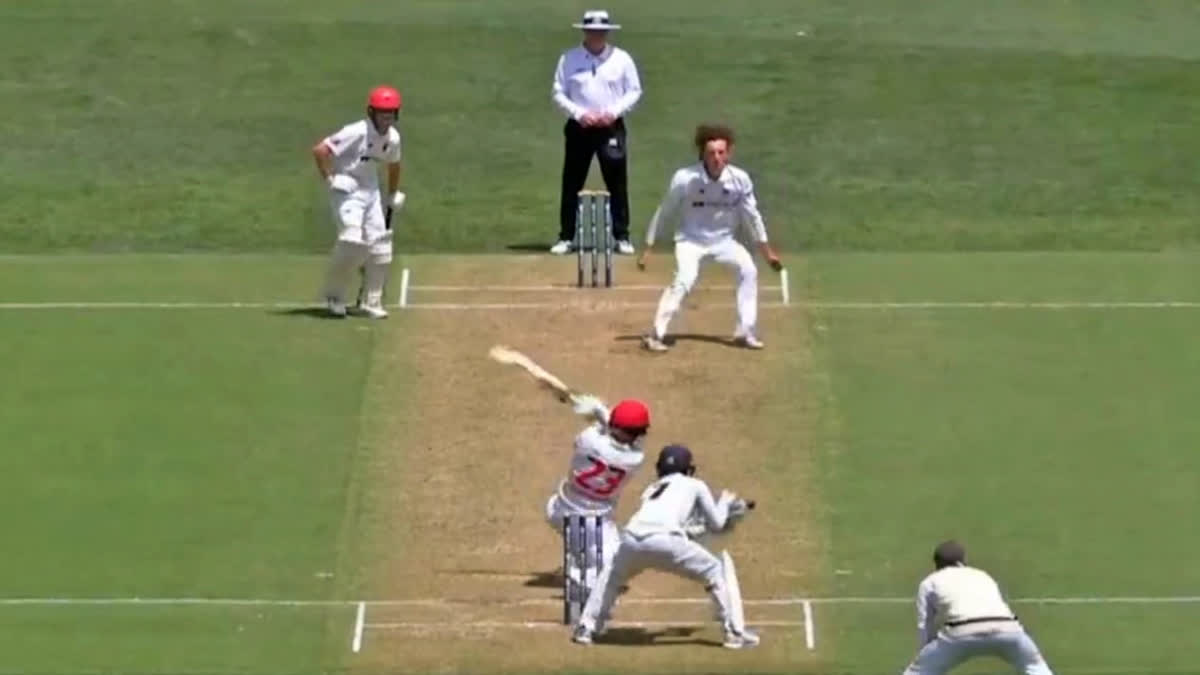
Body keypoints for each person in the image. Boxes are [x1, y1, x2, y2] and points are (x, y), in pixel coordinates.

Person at [571, 444, 759, 649]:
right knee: (716, 570)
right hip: (666, 541)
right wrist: (724, 503)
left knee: (611, 576)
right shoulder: (695, 484)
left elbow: (678, 526)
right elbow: (717, 524)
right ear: (688, 468)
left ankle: (585, 628)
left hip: (632, 539)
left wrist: (694, 528)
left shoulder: (652, 489)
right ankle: (733, 633)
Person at [637, 124, 783, 352]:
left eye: (721, 152)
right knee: (685, 279)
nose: (716, 158)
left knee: (749, 270)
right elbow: (665, 210)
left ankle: (745, 331)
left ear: (729, 153)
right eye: (711, 153)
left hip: (724, 242)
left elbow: (752, 217)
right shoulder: (685, 178)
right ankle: (656, 333)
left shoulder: (740, 179)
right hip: (690, 241)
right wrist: (649, 246)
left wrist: (767, 252)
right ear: (702, 154)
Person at [550, 9, 642, 256]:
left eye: (601, 32)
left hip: (610, 127)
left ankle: (621, 236)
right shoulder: (569, 59)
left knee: (617, 182)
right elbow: (558, 92)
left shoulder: (622, 59)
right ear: (585, 31)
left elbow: (634, 91)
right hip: (580, 128)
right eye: (592, 31)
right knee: (572, 181)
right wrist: (580, 114)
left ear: (607, 33)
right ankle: (566, 237)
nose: (597, 36)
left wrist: (611, 112)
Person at [310, 85, 406, 319]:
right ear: (371, 112)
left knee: (381, 246)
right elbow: (320, 150)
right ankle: (334, 297)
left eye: (391, 113)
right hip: (346, 190)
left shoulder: (392, 137)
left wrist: (393, 194)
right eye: (382, 113)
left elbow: (394, 164)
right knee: (352, 241)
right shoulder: (356, 131)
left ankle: (370, 302)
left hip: (370, 192)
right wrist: (331, 179)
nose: (386, 119)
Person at [901, 541, 1055, 675]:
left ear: (936, 564)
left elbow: (925, 623)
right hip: (1008, 628)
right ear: (963, 561)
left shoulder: (930, 582)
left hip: (961, 632)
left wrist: (926, 653)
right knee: (1036, 667)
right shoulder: (982, 575)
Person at [544, 395, 650, 573]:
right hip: (593, 522)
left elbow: (603, 431)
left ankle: (577, 547)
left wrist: (598, 412)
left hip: (558, 508)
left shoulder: (588, 440)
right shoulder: (635, 458)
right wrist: (601, 412)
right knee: (613, 570)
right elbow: (630, 437)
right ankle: (578, 562)